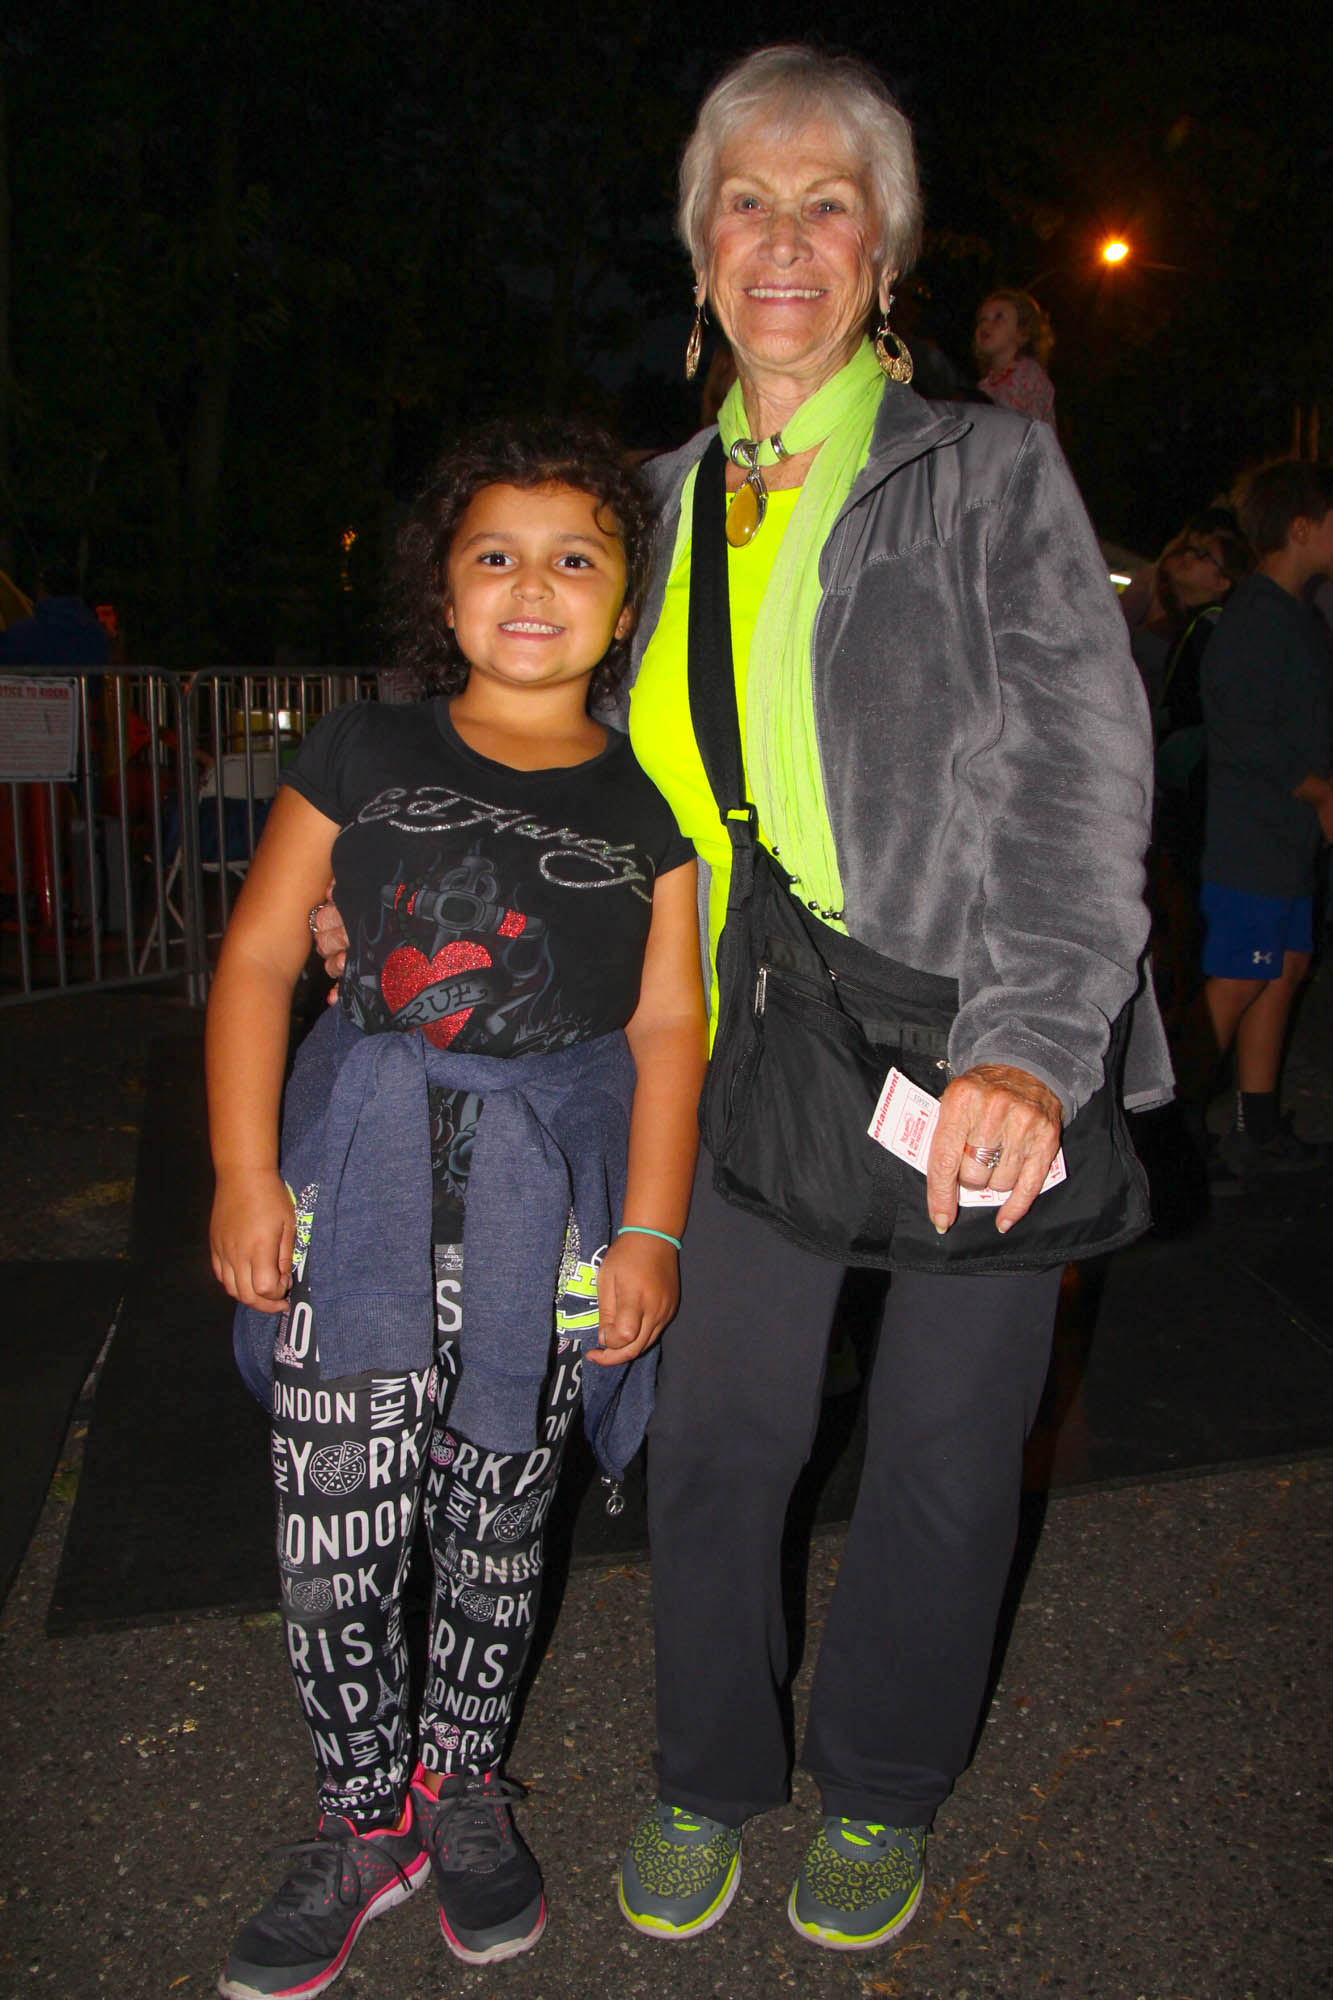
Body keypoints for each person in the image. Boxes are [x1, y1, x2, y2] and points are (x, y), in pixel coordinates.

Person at [313, 43, 1168, 1959]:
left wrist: (1031, 1044)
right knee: (713, 1432)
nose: (783, 240)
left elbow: (1075, 771)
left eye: (825, 205)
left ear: (884, 256)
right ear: (700, 255)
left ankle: (880, 1786)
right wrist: (395, 901)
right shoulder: (649, 503)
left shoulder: (985, 474)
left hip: (968, 1032)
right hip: (727, 1045)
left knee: (944, 1443)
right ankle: (706, 1768)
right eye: (745, 205)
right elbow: (543, 760)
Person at [206, 418, 706, 1999]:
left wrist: (648, 1231)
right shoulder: (363, 748)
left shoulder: (649, 803)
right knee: (336, 1524)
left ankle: (462, 1784)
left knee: (497, 1524)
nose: (533, 586)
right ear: (444, 584)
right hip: (349, 1191)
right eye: (496, 554)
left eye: (575, 559)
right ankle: (362, 1820)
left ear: (623, 602)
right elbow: (260, 959)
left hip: (538, 1224)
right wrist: (242, 1173)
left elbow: (667, 1027)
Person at [1196, 457, 1333, 1176]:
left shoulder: (1299, 618)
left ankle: (1257, 1123)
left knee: (1284, 968)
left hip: (1287, 838)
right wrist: (1318, 791)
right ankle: (1170, 1131)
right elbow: (1242, 729)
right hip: (1250, 837)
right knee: (1238, 976)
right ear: (1301, 528)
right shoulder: (1254, 615)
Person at [972, 287, 1056, 426]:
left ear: (1022, 332)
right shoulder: (984, 388)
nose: (986, 324)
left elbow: (1034, 426)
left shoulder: (1029, 375)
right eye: (982, 319)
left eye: (998, 317)